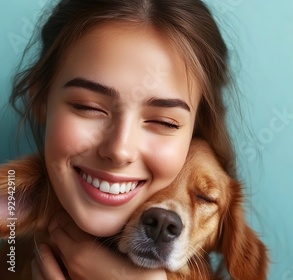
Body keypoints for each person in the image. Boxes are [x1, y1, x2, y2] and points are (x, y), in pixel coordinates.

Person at [7, 0, 241, 278]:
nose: (119, 149)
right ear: (40, 100)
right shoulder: (17, 196)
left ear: (193, 129)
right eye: (88, 106)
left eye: (164, 121)